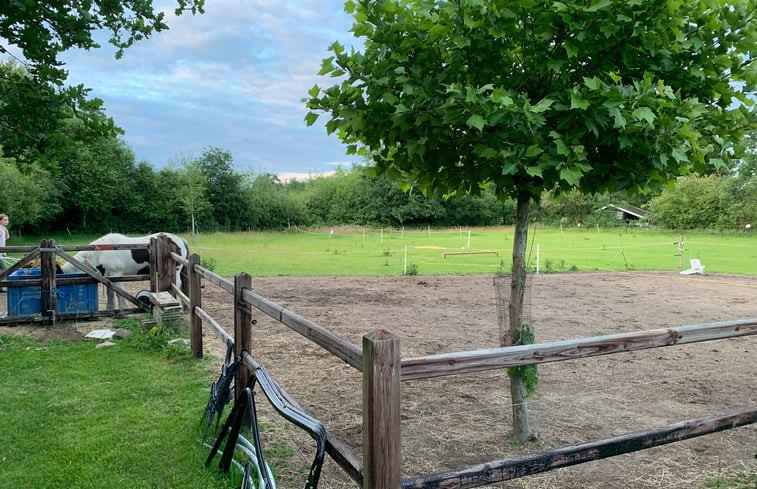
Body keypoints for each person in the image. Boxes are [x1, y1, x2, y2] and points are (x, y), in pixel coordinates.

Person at [0, 214, 8, 292]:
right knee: (4, 268)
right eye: (4, 220)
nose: (6, 221)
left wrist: (4, 251)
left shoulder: (3, 229)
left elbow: (2, 242)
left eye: (7, 220)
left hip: (1, 252)